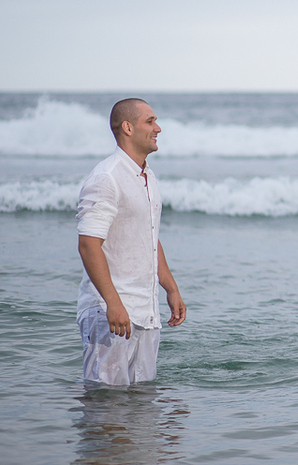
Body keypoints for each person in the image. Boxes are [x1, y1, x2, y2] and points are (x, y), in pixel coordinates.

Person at [76, 98, 186, 385]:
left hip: (146, 313)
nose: (158, 128)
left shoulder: (147, 175)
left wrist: (171, 289)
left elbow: (149, 235)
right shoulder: (106, 178)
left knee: (143, 412)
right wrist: (113, 303)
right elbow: (88, 244)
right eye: (150, 121)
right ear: (127, 127)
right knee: (106, 409)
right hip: (110, 312)